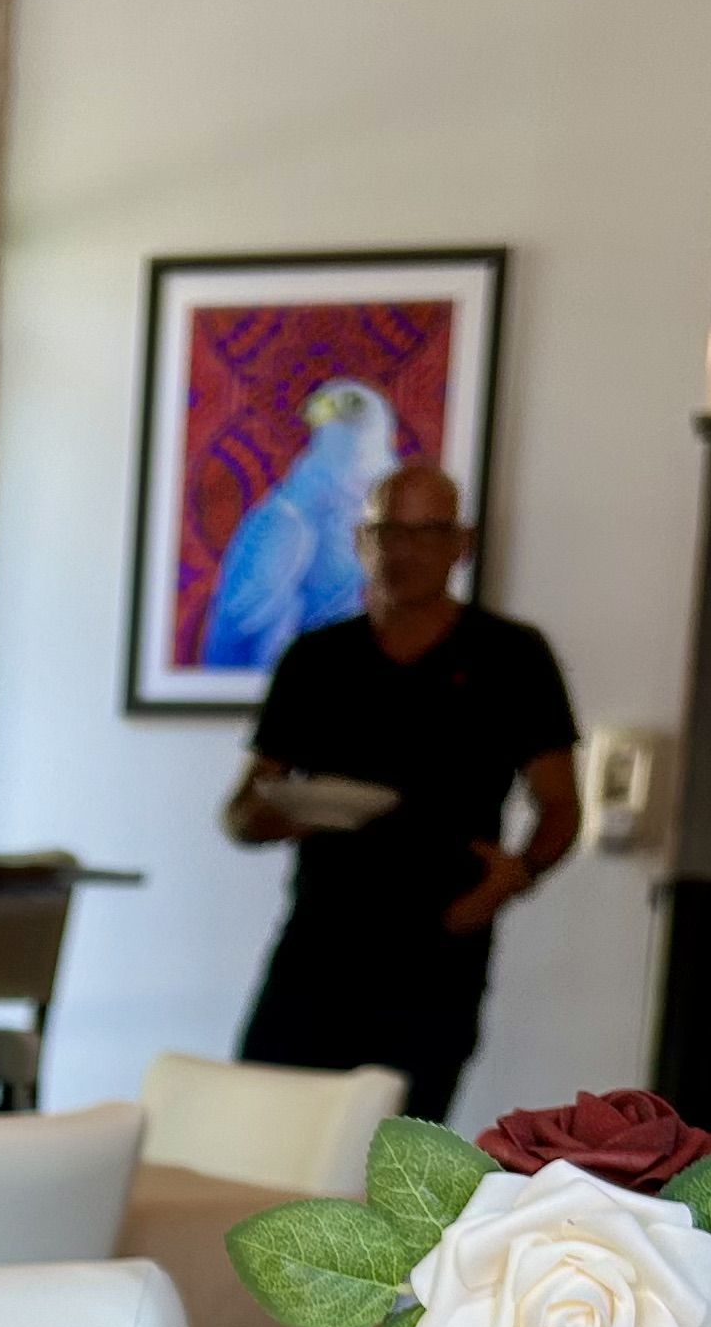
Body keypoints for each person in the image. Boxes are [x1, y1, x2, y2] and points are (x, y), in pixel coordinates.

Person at [220, 462, 579, 1121]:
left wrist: (512, 879)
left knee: (394, 1165)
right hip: (317, 946)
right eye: (388, 532)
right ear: (362, 542)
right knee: (265, 1137)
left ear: (459, 545)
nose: (403, 551)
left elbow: (560, 805)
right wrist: (291, 815)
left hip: (437, 950)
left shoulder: (510, 656)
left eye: (426, 532)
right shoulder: (316, 660)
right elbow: (242, 812)